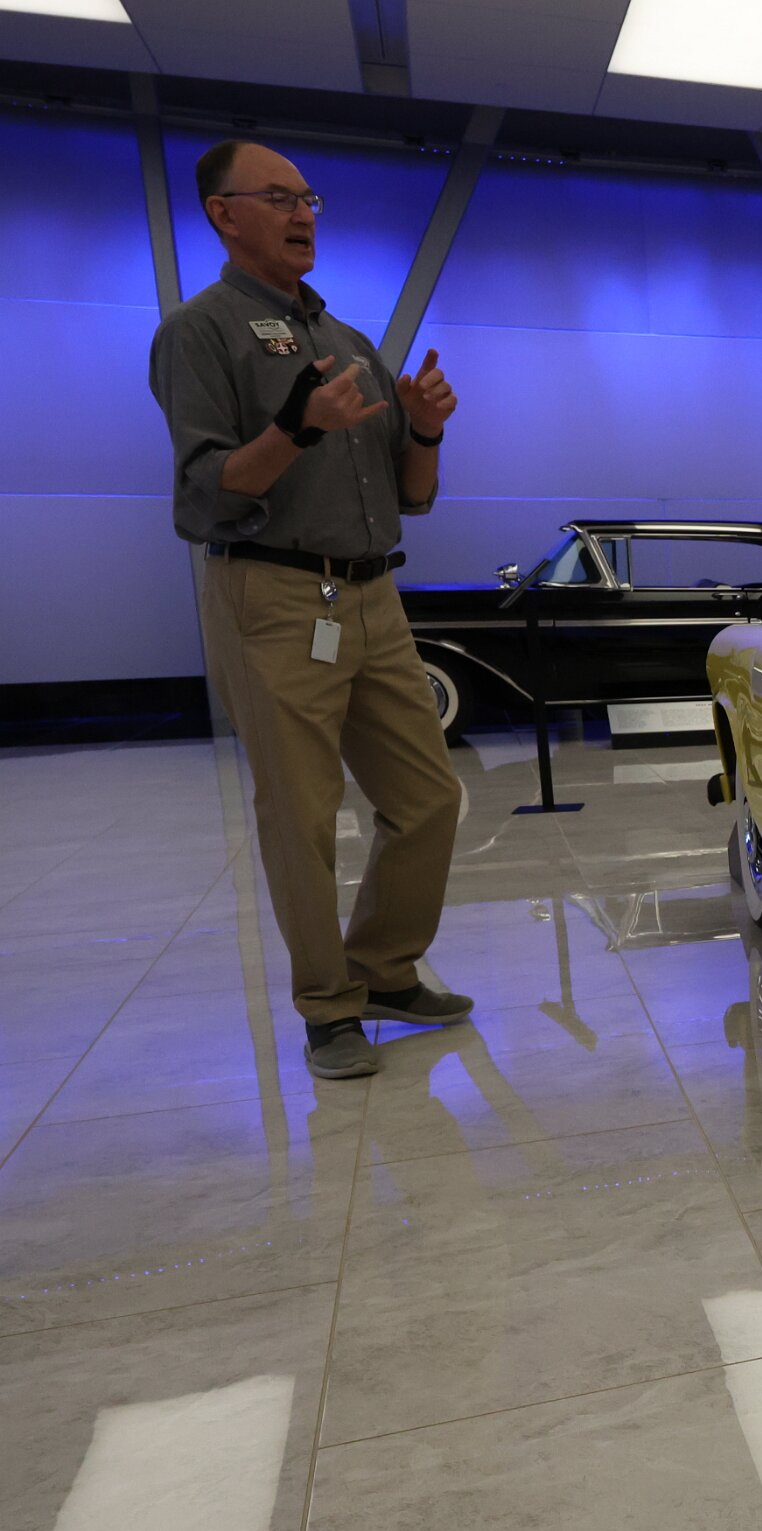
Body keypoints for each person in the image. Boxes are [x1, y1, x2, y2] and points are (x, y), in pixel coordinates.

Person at [148, 137, 472, 1078]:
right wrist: (296, 427)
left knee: (428, 797)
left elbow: (411, 495)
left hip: (370, 595)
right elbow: (205, 492)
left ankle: (382, 970)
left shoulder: (349, 343)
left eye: (308, 199)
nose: (303, 215)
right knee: (301, 811)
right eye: (280, 198)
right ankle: (328, 1008)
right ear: (223, 214)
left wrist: (424, 430)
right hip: (274, 593)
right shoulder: (198, 332)